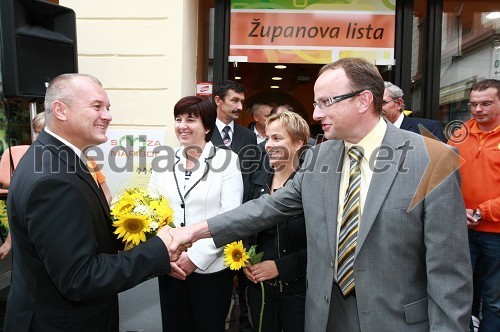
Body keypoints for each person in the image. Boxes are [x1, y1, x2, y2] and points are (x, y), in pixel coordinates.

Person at [169, 57, 473, 331]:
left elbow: (450, 277)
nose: (315, 113)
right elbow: (268, 208)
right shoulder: (319, 157)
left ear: (363, 100)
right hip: (324, 317)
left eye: (326, 102)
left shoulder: (433, 159)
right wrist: (194, 231)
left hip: (395, 321)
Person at [5, 73, 186, 331]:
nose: (108, 115)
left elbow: (83, 239)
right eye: (97, 106)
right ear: (60, 110)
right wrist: (158, 250)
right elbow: (80, 277)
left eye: (108, 107)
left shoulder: (54, 157)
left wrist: (141, 242)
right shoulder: (53, 179)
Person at [148, 96, 243, 332]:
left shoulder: (227, 160)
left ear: (207, 126)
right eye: (178, 119)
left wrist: (194, 258)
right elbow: (152, 209)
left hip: (210, 269)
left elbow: (229, 217)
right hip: (170, 266)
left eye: (190, 120)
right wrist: (167, 255)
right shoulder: (164, 160)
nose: (182, 125)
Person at [244, 111, 308, 331]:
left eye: (277, 138)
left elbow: (323, 243)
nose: (268, 145)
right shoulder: (256, 178)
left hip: (297, 290)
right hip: (258, 288)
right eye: (267, 138)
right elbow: (243, 222)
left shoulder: (310, 184)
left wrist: (280, 267)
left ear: (298, 142)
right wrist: (244, 259)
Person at [448, 78, 500, 332]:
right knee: (459, 295)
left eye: (486, 103)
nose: (478, 109)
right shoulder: (460, 134)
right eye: (473, 104)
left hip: (496, 234)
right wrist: (458, 210)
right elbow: (442, 177)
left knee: (494, 300)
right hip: (462, 229)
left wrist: (482, 212)